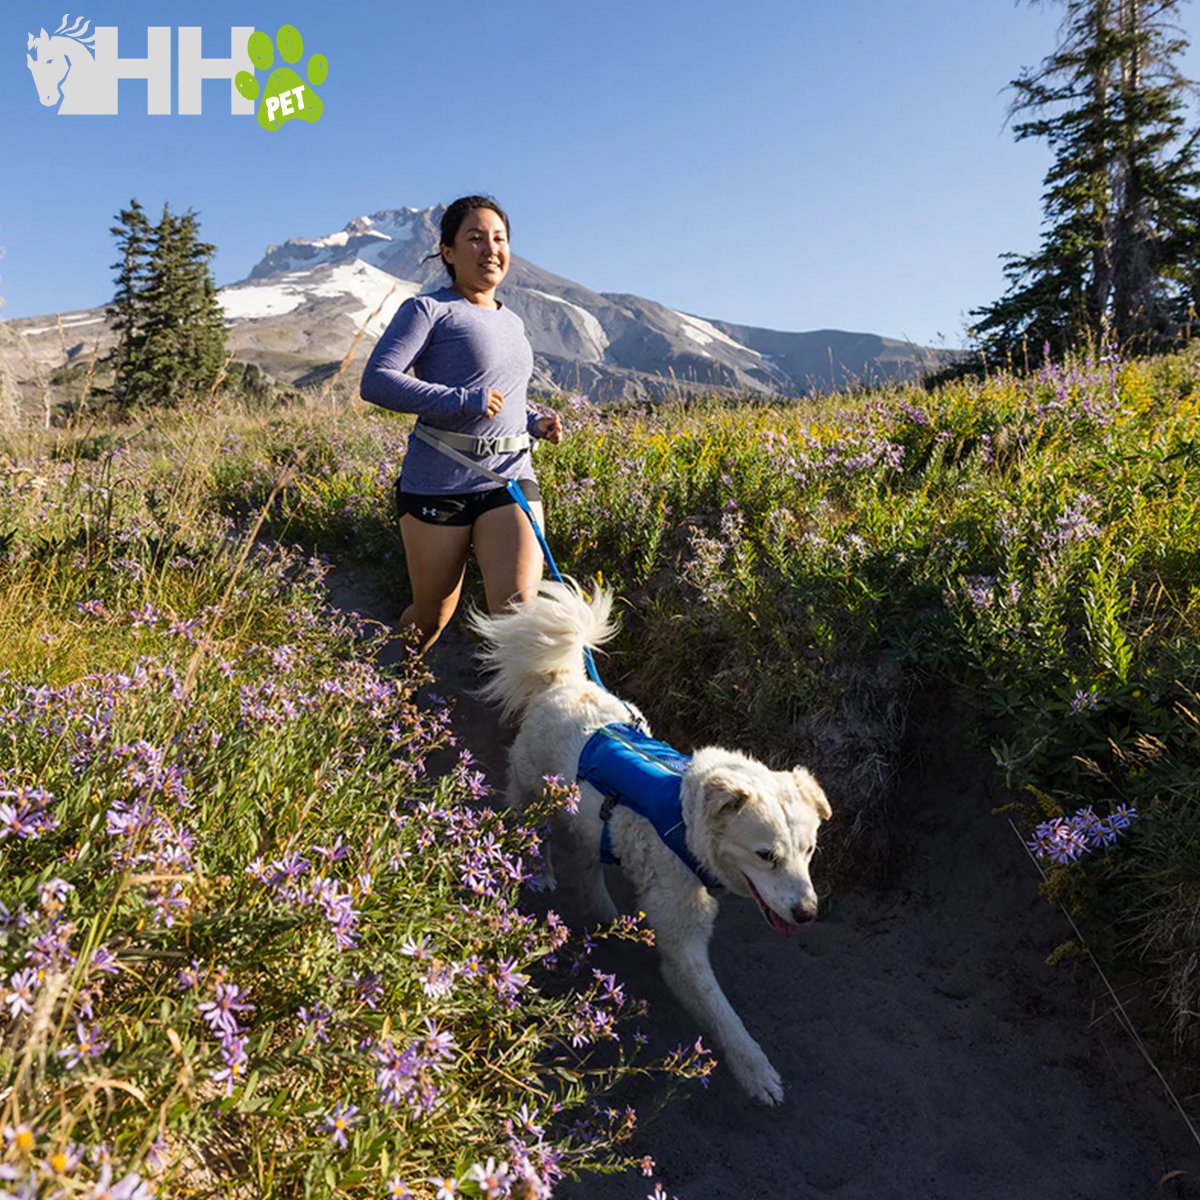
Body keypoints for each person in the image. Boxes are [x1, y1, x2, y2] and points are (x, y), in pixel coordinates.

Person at [359, 196, 563, 652]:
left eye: (499, 239)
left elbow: (502, 394)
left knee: (518, 616)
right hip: (438, 485)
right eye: (475, 238)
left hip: (509, 478)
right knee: (432, 616)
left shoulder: (511, 320)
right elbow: (376, 382)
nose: (490, 249)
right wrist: (460, 400)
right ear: (448, 251)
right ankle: (398, 689)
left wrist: (534, 422)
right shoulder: (427, 310)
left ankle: (524, 721)